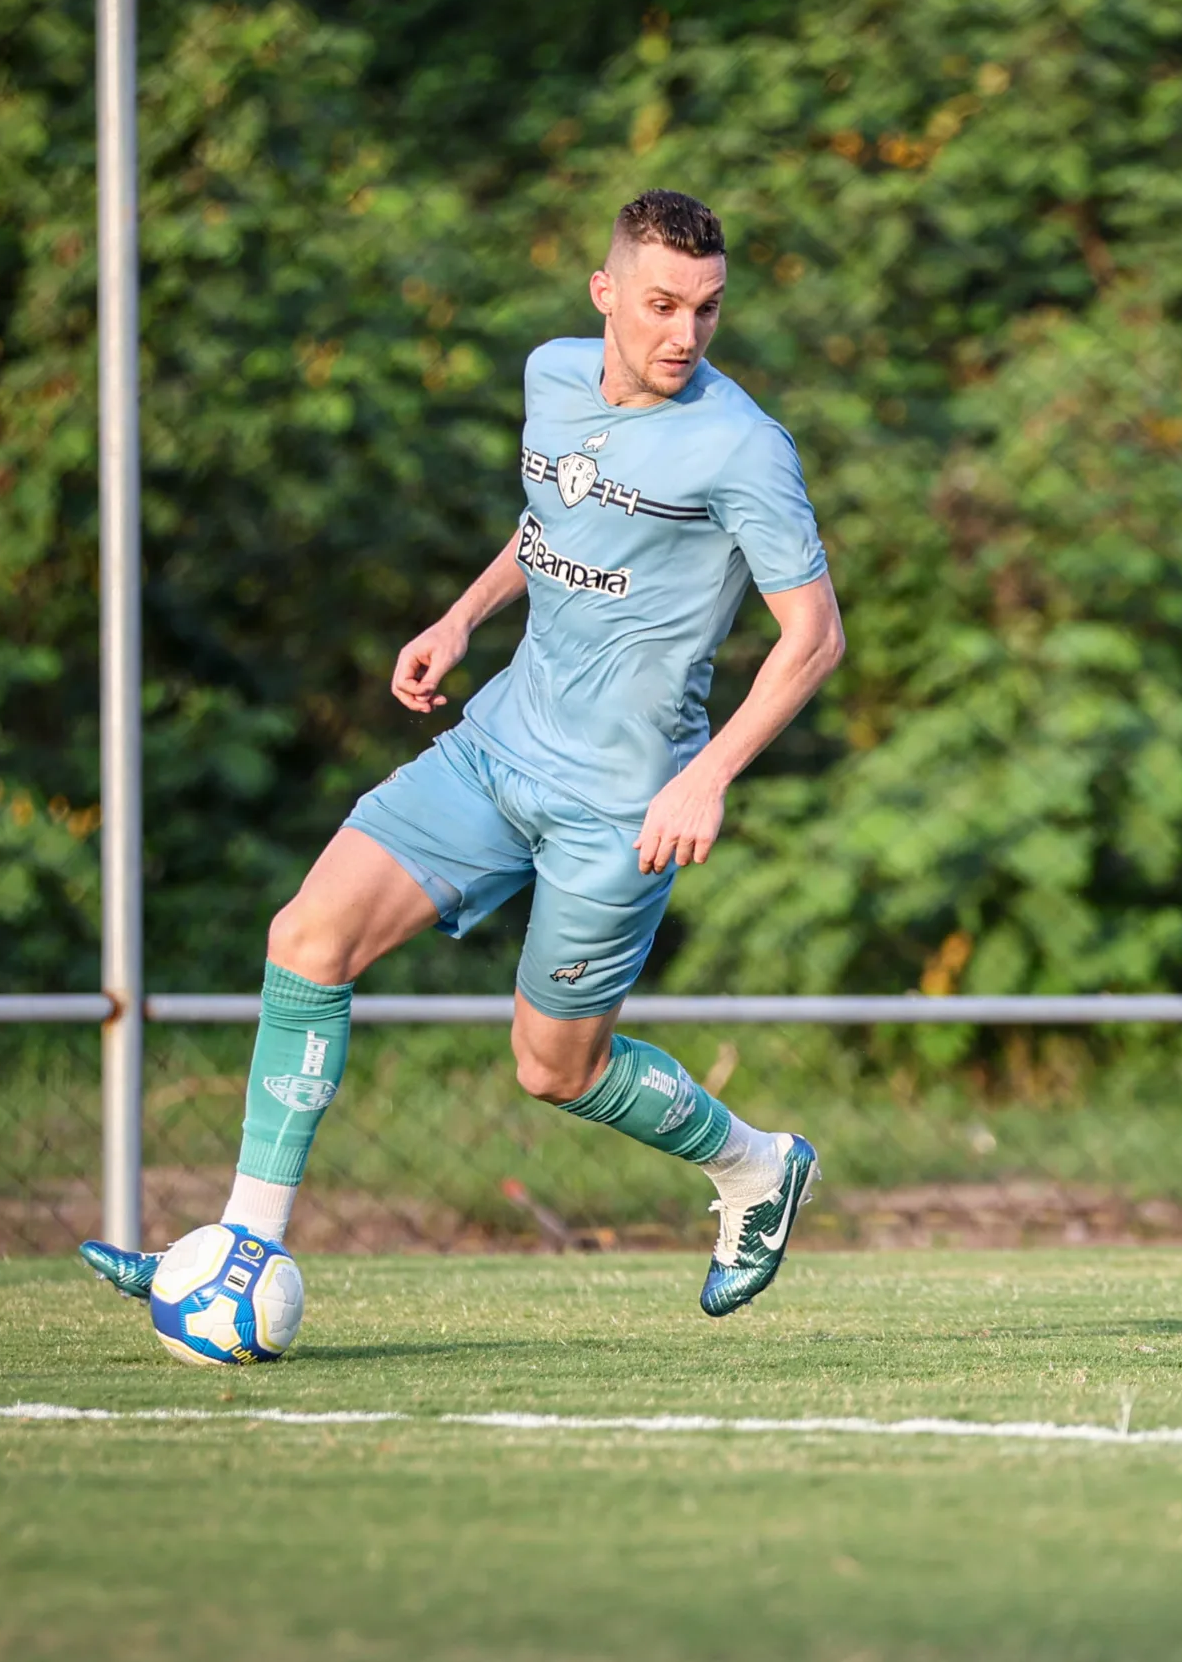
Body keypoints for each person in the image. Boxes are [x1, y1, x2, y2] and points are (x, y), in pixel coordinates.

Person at [81, 188, 845, 1318]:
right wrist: (461, 617)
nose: (685, 333)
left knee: (554, 1070)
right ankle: (240, 1249)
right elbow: (548, 523)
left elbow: (815, 635)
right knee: (307, 935)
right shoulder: (547, 375)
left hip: (618, 805)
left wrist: (707, 771)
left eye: (708, 309)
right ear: (605, 297)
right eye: (661, 304)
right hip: (495, 746)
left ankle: (752, 1166)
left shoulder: (740, 446)